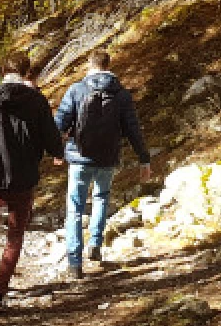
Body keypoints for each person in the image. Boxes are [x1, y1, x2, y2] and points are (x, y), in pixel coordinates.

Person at [0, 51, 64, 310]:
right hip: (24, 179)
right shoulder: (37, 101)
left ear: (2, 72)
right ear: (27, 73)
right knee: (15, 236)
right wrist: (58, 153)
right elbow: (51, 137)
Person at [54, 49, 152, 279]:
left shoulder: (76, 90)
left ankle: (75, 263)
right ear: (109, 65)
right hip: (108, 158)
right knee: (101, 198)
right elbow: (133, 130)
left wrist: (56, 151)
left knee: (75, 208)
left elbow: (59, 124)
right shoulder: (121, 95)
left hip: (78, 158)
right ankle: (95, 245)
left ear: (90, 64)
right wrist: (144, 159)